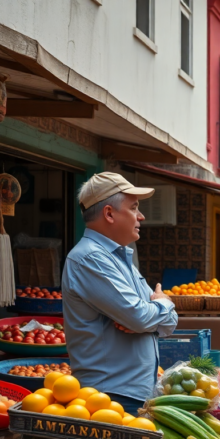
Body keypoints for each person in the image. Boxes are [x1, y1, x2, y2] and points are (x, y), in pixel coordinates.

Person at [61, 172, 178, 416]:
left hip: (130, 394)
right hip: (108, 397)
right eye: (134, 207)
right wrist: (164, 304)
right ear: (109, 213)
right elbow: (141, 316)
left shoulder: (119, 258)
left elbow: (169, 323)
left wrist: (151, 316)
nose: (141, 216)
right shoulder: (90, 259)